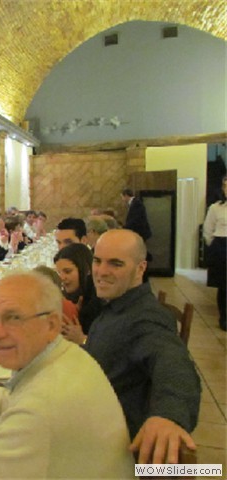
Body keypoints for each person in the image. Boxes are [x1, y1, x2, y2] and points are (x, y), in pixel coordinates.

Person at [0, 273, 135, 478]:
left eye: (14, 318)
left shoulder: (40, 412)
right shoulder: (67, 354)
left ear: (52, 324)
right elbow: (18, 401)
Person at [85, 229, 200, 464]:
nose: (101, 271)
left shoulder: (146, 319)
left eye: (116, 264)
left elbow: (173, 363)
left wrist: (168, 416)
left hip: (113, 451)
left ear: (140, 268)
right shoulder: (119, 305)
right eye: (97, 261)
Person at [53, 243, 102, 344]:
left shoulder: (99, 299)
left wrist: (82, 339)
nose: (62, 278)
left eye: (68, 271)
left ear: (87, 270)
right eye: (59, 273)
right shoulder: (74, 298)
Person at [203, 175, 227, 331]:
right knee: (224, 286)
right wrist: (215, 246)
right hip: (222, 247)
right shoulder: (215, 208)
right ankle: (224, 318)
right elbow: (208, 230)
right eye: (225, 186)